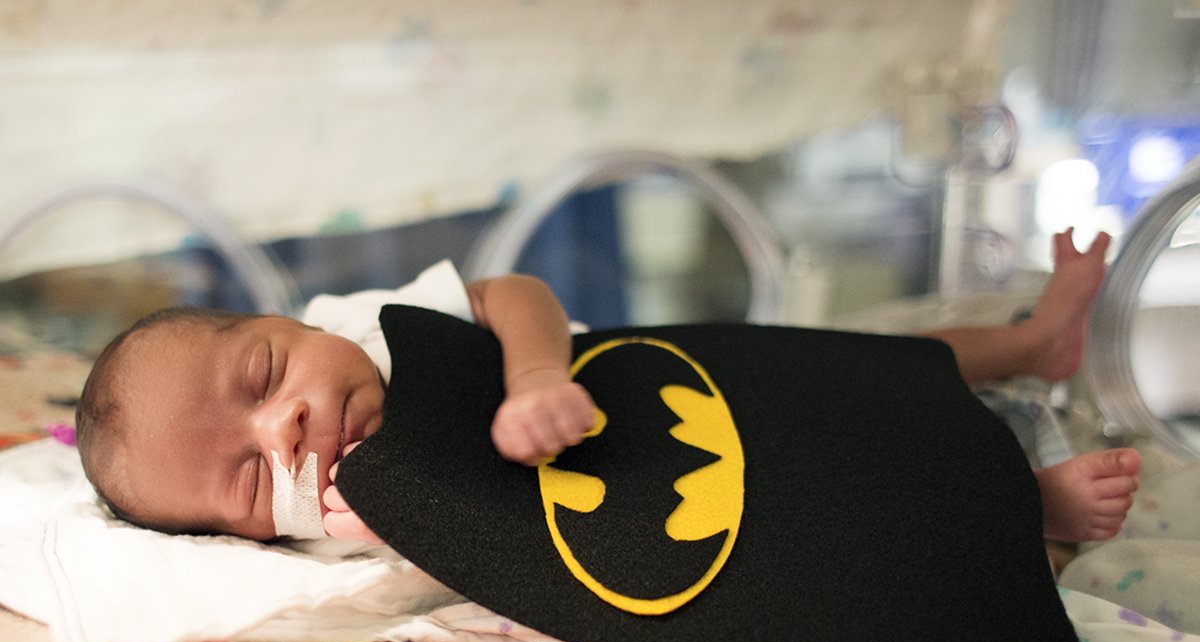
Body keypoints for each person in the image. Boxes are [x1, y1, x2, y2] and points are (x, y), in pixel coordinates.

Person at [75, 229, 1140, 549]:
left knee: (856, 362)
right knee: (833, 494)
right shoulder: (337, 517)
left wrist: (535, 371)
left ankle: (1034, 340)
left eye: (264, 376)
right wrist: (374, 531)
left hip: (652, 371)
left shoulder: (369, 325)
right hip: (664, 498)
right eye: (252, 478)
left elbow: (511, 289)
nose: (287, 428)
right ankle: (1025, 505)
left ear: (292, 320)